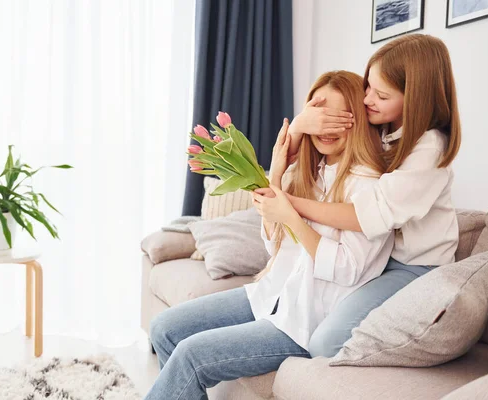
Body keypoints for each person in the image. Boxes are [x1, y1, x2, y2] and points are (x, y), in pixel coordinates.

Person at [145, 71, 393, 400]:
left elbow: (347, 268)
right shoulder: (312, 173)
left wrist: (291, 215)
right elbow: (273, 244)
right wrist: (278, 168)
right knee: (164, 328)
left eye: (332, 115)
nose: (322, 126)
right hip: (271, 296)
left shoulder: (370, 187)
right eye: (315, 112)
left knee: (191, 357)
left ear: (356, 119)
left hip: (304, 323)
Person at [255, 34, 462, 358]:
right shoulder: (386, 130)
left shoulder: (429, 150)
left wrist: (288, 206)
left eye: (380, 94)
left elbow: (362, 215)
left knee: (325, 342)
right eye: (367, 88)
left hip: (416, 266)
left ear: (415, 99)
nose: (367, 100)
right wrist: (297, 127)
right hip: (385, 259)